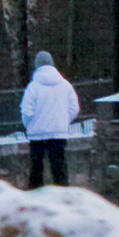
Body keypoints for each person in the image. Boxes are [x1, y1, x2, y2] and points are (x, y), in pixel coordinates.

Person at [20, 52, 83, 188]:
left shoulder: (33, 87)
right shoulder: (65, 85)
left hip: (37, 135)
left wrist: (30, 126)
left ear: (36, 66)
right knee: (59, 168)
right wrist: (63, 121)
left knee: (36, 170)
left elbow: (26, 111)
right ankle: (63, 197)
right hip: (58, 133)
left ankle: (35, 198)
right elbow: (74, 108)